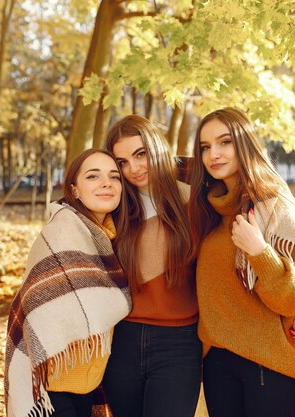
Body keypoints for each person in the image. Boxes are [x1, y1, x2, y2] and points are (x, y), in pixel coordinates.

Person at [188, 107, 295, 417]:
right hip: (218, 362)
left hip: (270, 364)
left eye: (225, 142)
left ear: (244, 144)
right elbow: (165, 169)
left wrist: (260, 252)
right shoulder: (207, 207)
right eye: (205, 147)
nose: (214, 154)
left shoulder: (274, 206)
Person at [4, 149, 132, 417]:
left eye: (114, 176)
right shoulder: (62, 231)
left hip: (86, 385)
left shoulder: (110, 237)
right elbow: (36, 306)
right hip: (54, 387)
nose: (106, 183)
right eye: (93, 176)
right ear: (74, 190)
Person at [102, 115, 201, 417]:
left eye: (140, 154)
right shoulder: (111, 210)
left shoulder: (195, 201)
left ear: (156, 146)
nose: (134, 169)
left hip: (180, 342)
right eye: (122, 162)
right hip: (122, 340)